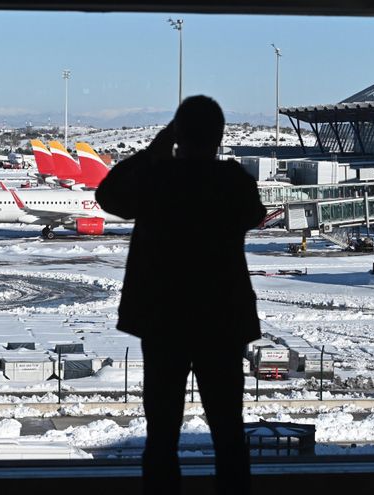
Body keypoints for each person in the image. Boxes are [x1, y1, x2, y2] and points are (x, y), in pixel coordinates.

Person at [96, 95, 266, 495]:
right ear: (219, 137)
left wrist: (154, 154)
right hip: (221, 322)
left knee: (161, 435)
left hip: (163, 320)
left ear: (177, 134)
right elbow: (254, 213)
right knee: (227, 432)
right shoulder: (232, 182)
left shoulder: (157, 180)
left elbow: (108, 196)